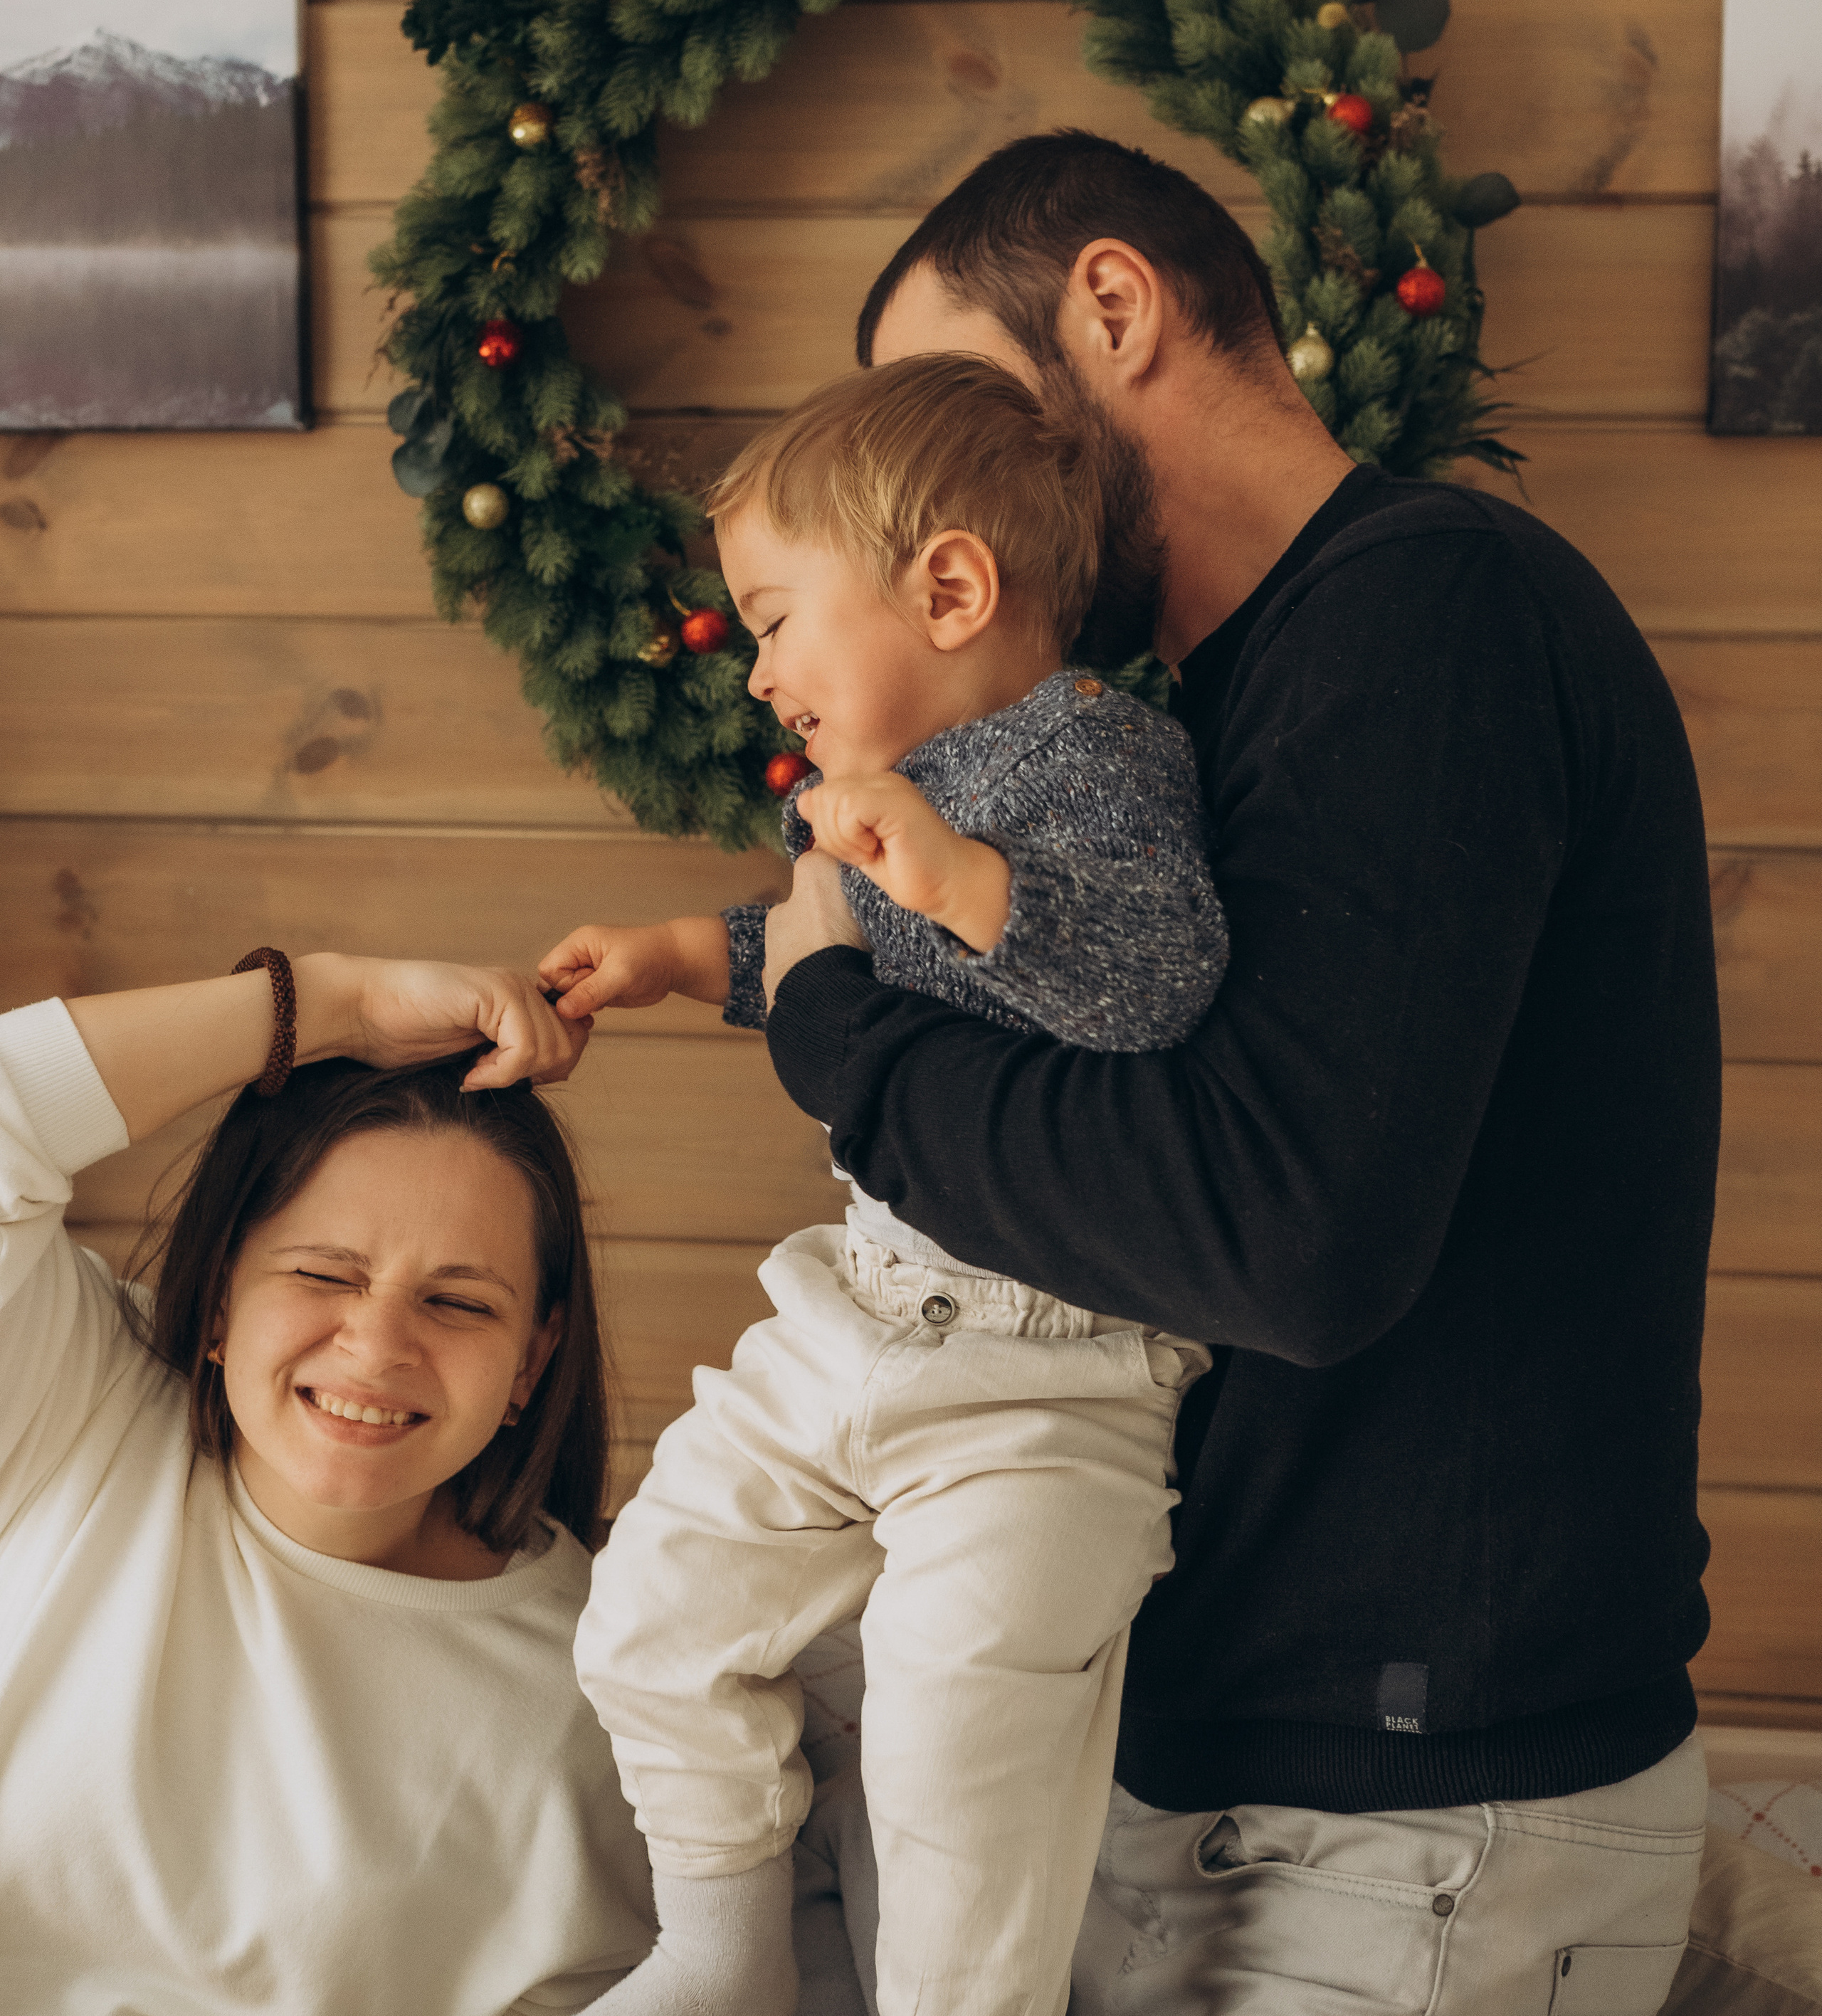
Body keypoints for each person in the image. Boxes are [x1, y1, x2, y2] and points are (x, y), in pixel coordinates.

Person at [755, 130, 1720, 2012]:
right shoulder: (1183, 719)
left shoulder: (1428, 613)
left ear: (1116, 306)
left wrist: (837, 1031)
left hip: (1415, 1816)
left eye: (969, 398)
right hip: (1247, 1773)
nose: (956, 484)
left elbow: (1283, 1230)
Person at [539, 356, 1226, 2016]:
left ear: (949, 587)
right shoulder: (868, 803)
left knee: (955, 1750)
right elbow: (823, 953)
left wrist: (961, 877)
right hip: (853, 1312)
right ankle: (722, 1960)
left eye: (775, 618)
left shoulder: (1092, 758)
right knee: (648, 1608)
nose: (757, 671)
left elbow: (1162, 982)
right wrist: (671, 955)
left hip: (1049, 1376)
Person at [0, 950, 669, 2015]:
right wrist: (329, 1001)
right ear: (221, 1292)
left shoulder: (597, 1700)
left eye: (459, 1303)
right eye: (323, 1273)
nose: (377, 1346)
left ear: (531, 1364)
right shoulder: (72, 1398)